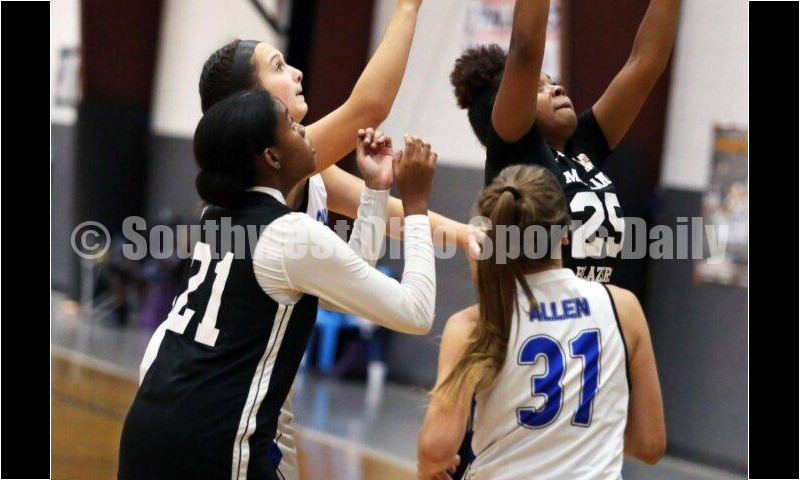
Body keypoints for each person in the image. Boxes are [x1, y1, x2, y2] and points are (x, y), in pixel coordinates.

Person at [120, 90, 439, 480]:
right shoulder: (289, 233)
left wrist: (375, 192)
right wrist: (417, 206)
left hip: (148, 425)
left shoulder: (215, 217)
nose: (304, 130)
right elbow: (417, 312)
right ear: (271, 157)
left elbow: (348, 286)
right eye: (291, 124)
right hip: (214, 442)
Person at [416, 165, 665, 480]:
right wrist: (577, 435)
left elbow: (436, 447)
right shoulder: (622, 307)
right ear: (565, 234)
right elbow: (650, 444)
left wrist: (426, 469)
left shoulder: (474, 323)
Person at [199, 0, 470, 250]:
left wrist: (467, 236)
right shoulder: (271, 165)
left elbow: (390, 214)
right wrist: (407, 7)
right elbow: (369, 108)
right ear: (248, 101)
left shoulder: (298, 164)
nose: (297, 73)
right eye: (279, 67)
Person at [451, 0, 680, 283]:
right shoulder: (515, 152)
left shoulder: (581, 144)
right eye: (538, 88)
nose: (557, 88)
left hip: (590, 311)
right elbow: (525, 50)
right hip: (535, 318)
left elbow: (645, 63)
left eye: (552, 82)